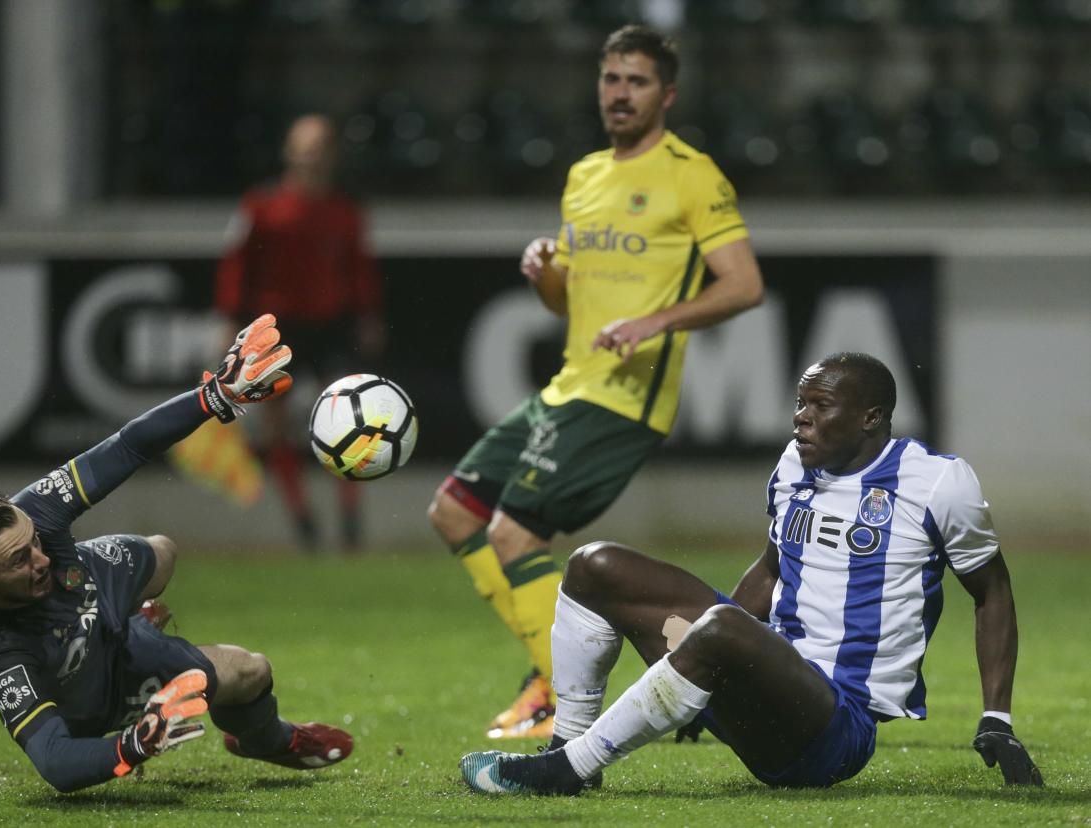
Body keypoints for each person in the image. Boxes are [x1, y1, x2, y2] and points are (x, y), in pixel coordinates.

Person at [460, 352, 1044, 794]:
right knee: (594, 565)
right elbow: (771, 569)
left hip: (834, 730)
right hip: (764, 683)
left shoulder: (939, 483)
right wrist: (701, 664)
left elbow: (991, 591)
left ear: (871, 418)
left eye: (820, 407)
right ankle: (569, 742)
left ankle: (569, 768)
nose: (800, 420)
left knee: (724, 627)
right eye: (800, 403)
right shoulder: (795, 464)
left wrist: (997, 717)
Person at [427, 24, 765, 740]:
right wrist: (546, 274)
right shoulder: (584, 175)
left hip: (623, 398)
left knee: (513, 534)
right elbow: (564, 302)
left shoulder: (691, 175)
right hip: (568, 384)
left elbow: (744, 286)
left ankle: (554, 687)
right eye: (611, 78)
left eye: (636, 81)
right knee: (454, 513)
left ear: (666, 94)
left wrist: (655, 322)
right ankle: (672, 657)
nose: (619, 93)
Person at [0, 315, 354, 793]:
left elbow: (127, 445)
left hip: (90, 591)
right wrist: (133, 745)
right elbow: (54, 761)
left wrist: (214, 397)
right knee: (246, 668)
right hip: (94, 698)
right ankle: (277, 740)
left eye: (35, 543)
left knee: (161, 552)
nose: (39, 559)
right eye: (18, 561)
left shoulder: (32, 512)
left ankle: (243, 728)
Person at [216, 113, 384, 551]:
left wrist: (367, 314)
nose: (312, 156)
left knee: (349, 417)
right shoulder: (262, 206)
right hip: (279, 327)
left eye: (321, 147)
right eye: (305, 146)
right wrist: (231, 320)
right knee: (276, 423)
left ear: (332, 155)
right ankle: (302, 518)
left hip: (333, 323)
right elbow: (238, 263)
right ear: (289, 152)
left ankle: (349, 514)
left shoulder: (345, 210)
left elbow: (359, 266)